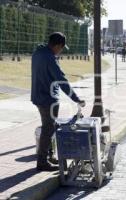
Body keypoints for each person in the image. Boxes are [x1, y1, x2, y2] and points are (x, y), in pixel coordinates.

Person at [31, 32, 85, 171]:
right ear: (57, 46)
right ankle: (42, 162)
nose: (60, 51)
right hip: (48, 99)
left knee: (49, 127)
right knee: (48, 128)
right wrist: (76, 98)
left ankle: (48, 157)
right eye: (61, 48)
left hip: (38, 96)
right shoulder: (50, 58)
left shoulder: (38, 53)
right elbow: (62, 80)